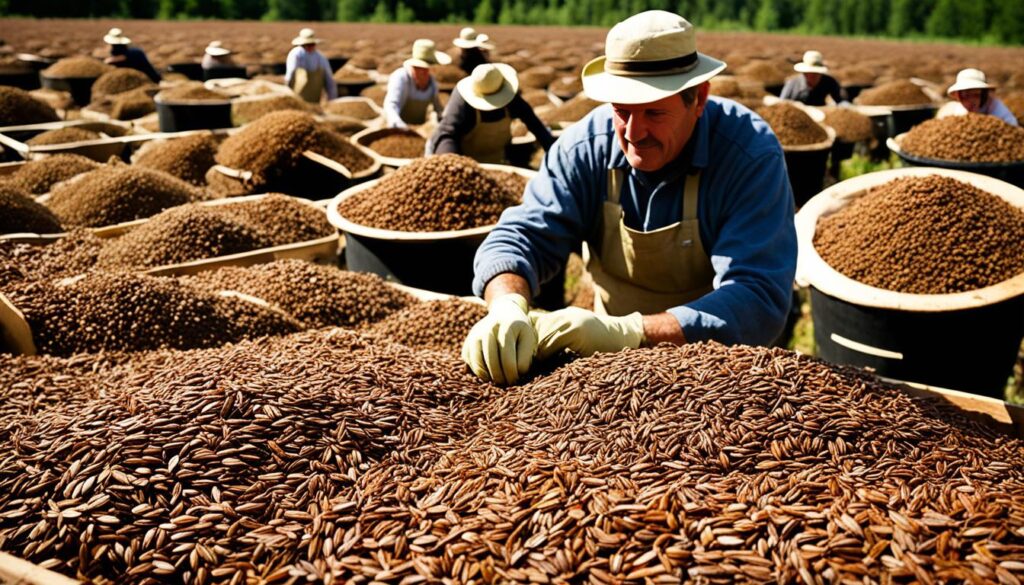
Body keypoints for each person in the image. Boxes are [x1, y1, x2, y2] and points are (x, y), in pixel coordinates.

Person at [460, 10, 797, 384]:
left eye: (654, 112)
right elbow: (522, 235)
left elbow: (757, 296)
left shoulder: (748, 155)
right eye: (621, 111)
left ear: (698, 98)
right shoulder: (585, 147)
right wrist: (507, 304)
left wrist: (631, 333)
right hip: (608, 369)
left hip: (723, 368)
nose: (634, 133)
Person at [427, 63, 555, 164]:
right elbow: (447, 134)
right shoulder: (462, 101)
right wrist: (454, 167)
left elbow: (533, 122)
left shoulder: (509, 96)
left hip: (497, 161)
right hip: (464, 162)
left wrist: (553, 150)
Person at [383, 39, 450, 129]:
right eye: (420, 69)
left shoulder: (432, 83)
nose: (424, 72)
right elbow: (391, 105)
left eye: (427, 69)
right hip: (396, 128)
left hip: (418, 129)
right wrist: (396, 122)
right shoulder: (401, 78)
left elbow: (438, 108)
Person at [939, 68, 1018, 126]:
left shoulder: (999, 112)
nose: (970, 101)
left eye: (975, 95)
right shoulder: (958, 112)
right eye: (964, 96)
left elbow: (1013, 128)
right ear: (958, 96)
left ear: (984, 94)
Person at [285, 28, 338, 103]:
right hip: (297, 98)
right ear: (302, 44)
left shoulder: (320, 57)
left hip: (314, 100)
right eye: (306, 45)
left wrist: (332, 99)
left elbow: (329, 80)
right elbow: (290, 76)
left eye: (311, 44)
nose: (309, 47)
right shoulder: (296, 54)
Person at [779, 50, 845, 106]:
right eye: (811, 73)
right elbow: (781, 104)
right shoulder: (792, 84)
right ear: (805, 73)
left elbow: (840, 103)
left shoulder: (830, 82)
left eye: (816, 73)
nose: (813, 76)